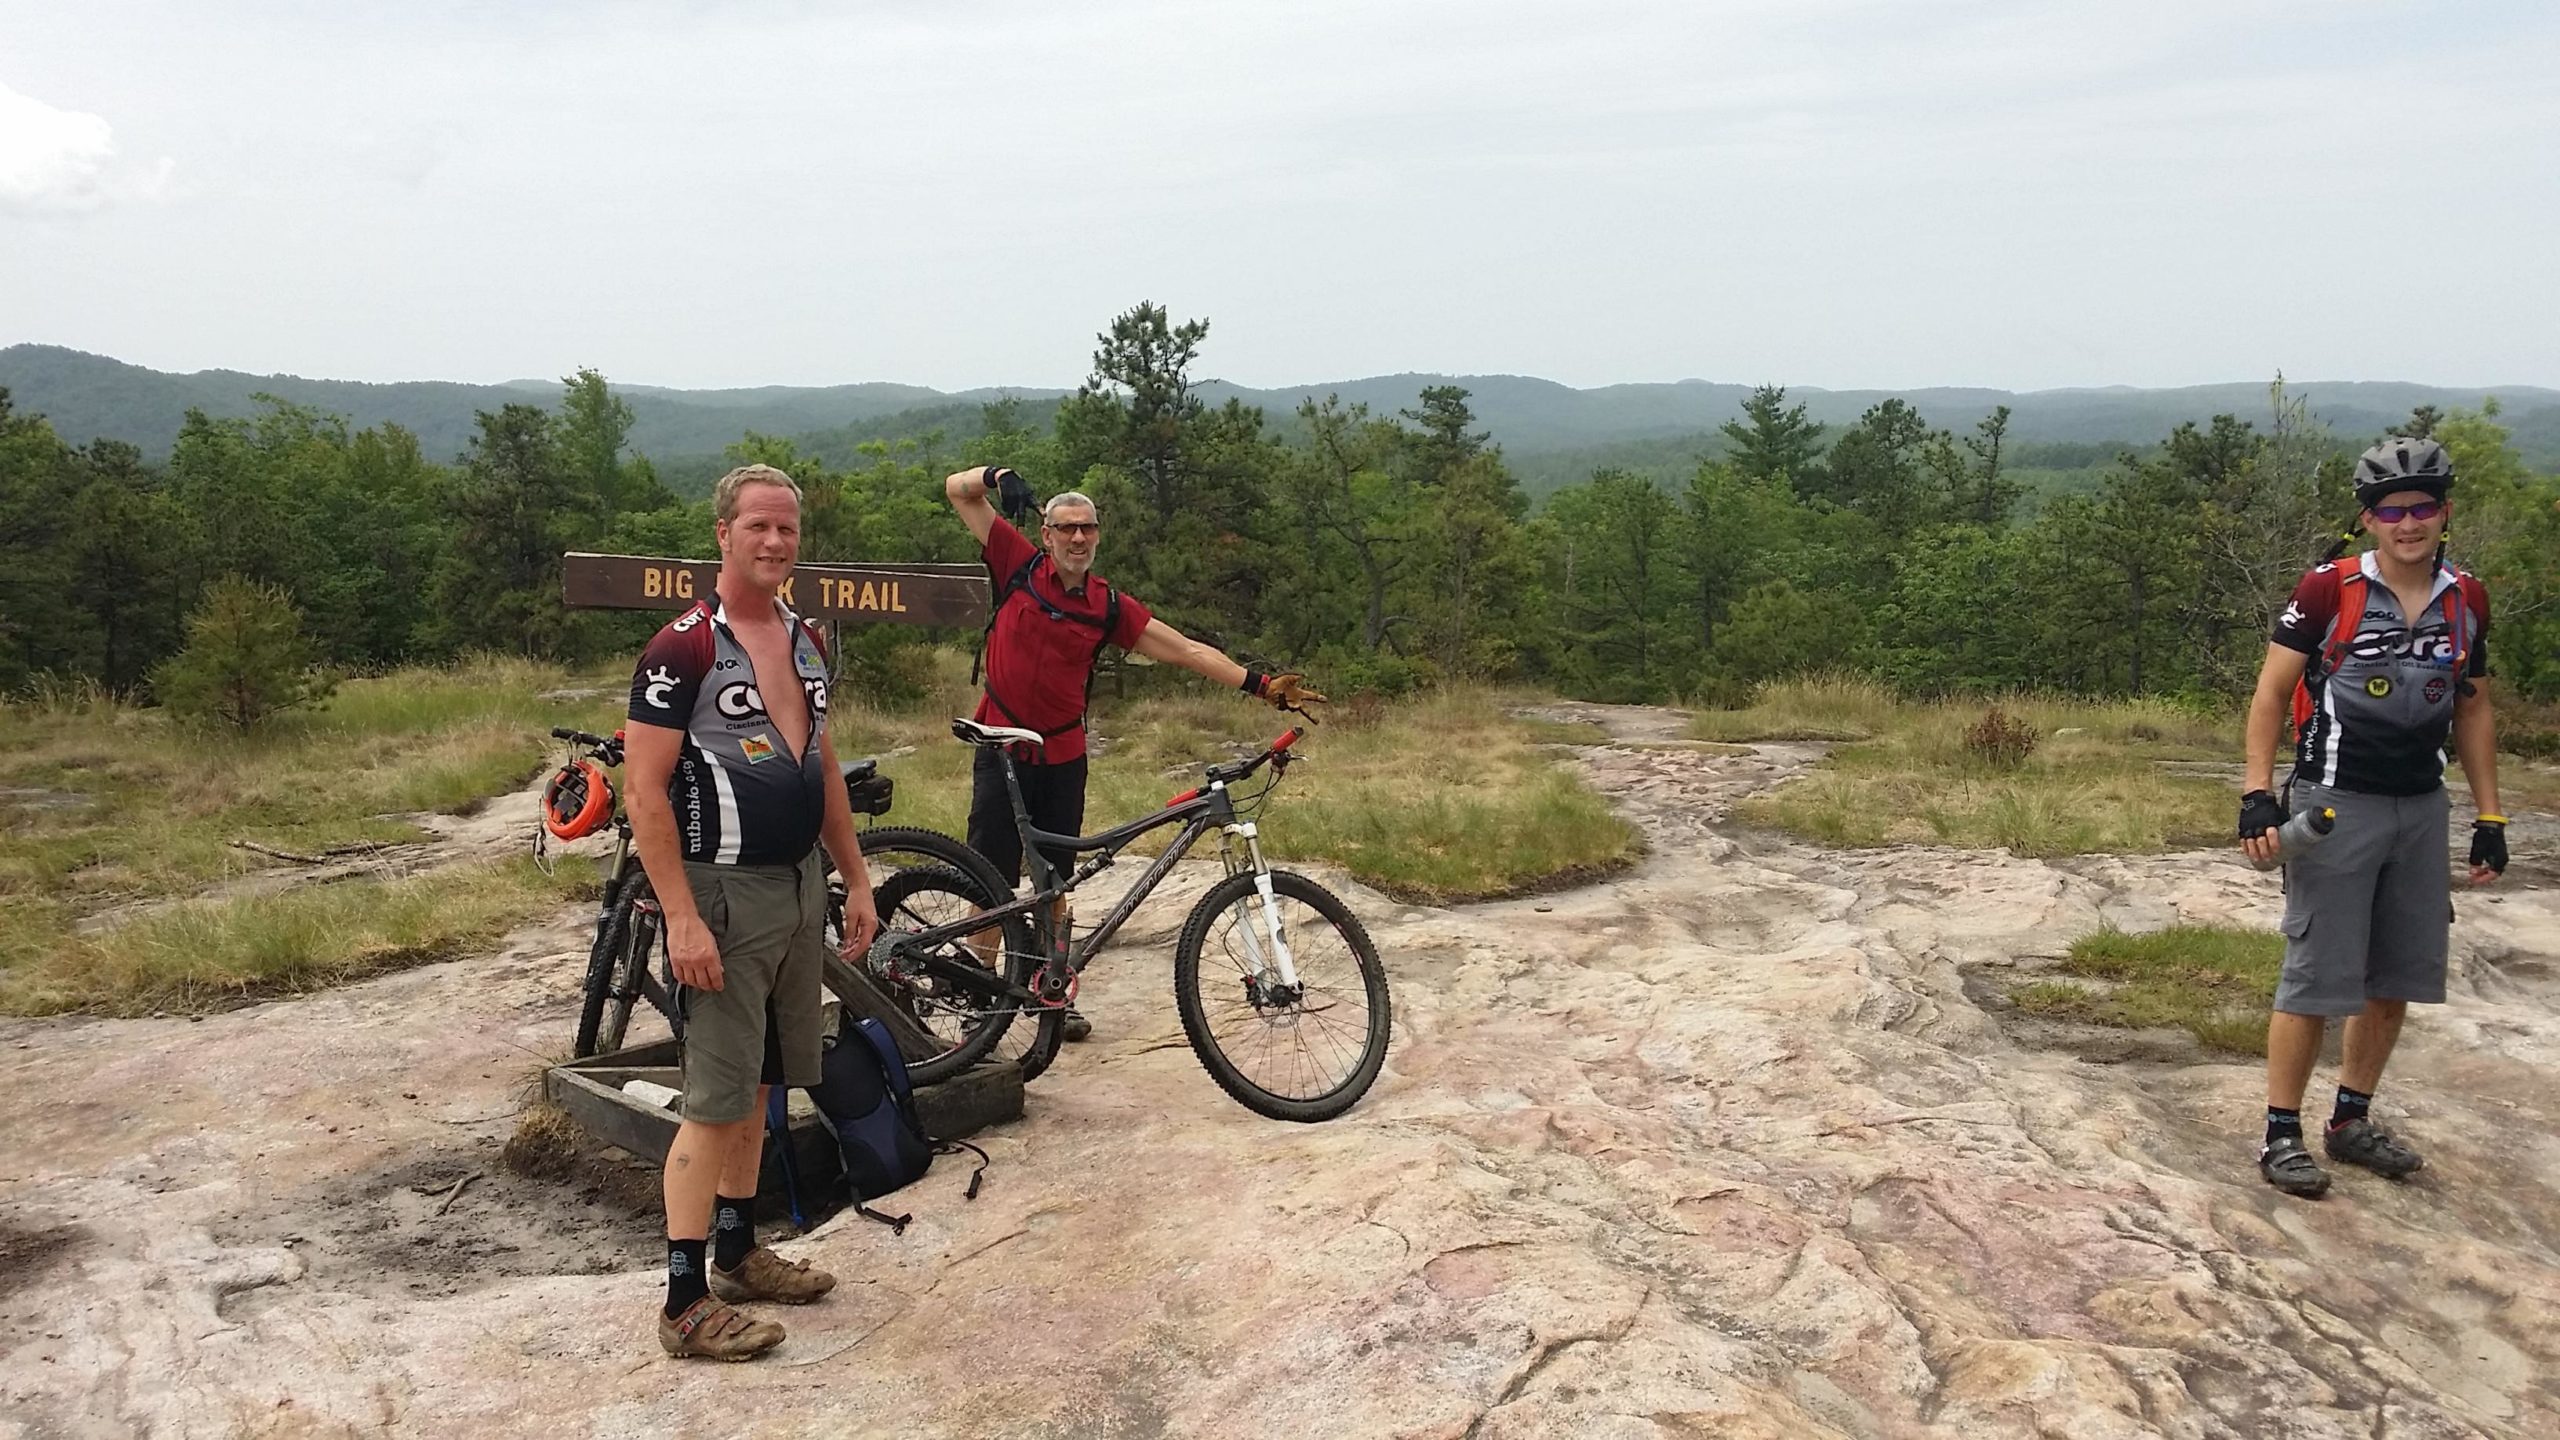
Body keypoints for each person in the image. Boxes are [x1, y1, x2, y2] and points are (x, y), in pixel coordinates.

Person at [623, 463, 881, 1359]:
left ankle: (737, 1251)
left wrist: (854, 874)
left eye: (788, 529)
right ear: (723, 534)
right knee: (713, 1098)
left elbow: (822, 761)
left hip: (799, 884)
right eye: (758, 527)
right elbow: (645, 794)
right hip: (724, 894)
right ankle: (684, 1303)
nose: (775, 542)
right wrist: (682, 917)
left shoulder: (804, 639)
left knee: (764, 1083)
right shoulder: (681, 649)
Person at [943, 466, 1322, 1039]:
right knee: (990, 871)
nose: (1077, 539)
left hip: (1063, 752)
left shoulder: (1106, 606)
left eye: (1087, 529)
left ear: (1097, 536)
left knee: (1056, 882)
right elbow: (956, 490)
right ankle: (977, 982)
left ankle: (1051, 990)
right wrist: (996, 476)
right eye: (1065, 528)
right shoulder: (1015, 561)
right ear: (1046, 534)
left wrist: (1258, 684)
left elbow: (1187, 649)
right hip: (1001, 741)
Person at [2238, 436, 2507, 1199]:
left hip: (2421, 806)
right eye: (2393, 510)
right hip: (2335, 801)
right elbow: (2268, 695)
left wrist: (2490, 815)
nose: (2408, 523)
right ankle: (2281, 1132)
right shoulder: (2328, 591)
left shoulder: (2467, 598)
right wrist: (2258, 792)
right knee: (2317, 976)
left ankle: (2349, 1121)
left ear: (2443, 512)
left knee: (2394, 974)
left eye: (2423, 508)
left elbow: (2475, 708)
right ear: (2370, 519)